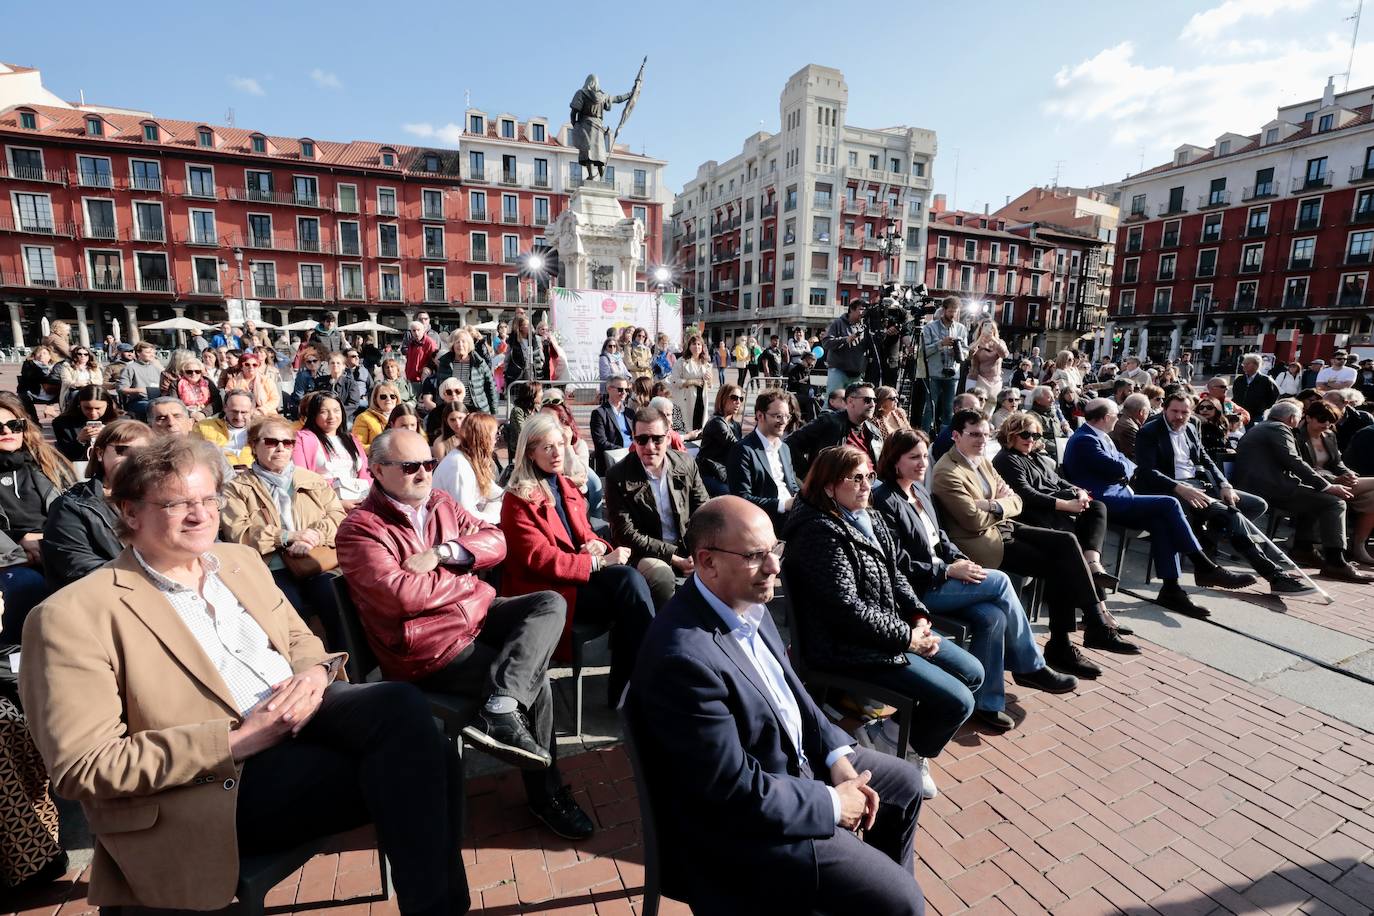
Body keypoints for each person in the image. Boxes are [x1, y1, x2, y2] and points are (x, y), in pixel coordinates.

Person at [24, 436, 469, 913]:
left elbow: (302, 644)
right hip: (215, 784)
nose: (201, 515)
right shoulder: (73, 614)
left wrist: (314, 677)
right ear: (130, 512)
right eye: (177, 503)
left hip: (303, 717)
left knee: (400, 706)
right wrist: (238, 741)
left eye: (208, 498)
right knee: (432, 763)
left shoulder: (237, 562)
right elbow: (84, 768)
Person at [629, 492, 928, 914]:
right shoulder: (683, 658)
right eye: (755, 556)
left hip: (793, 772)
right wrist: (832, 803)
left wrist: (837, 754)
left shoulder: (748, 604)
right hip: (746, 835)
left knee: (904, 785)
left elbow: (796, 698)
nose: (774, 567)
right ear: (707, 561)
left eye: (774, 550)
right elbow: (732, 791)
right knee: (905, 901)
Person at [337, 429, 593, 839]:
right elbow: (401, 597)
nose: (423, 474)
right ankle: (547, 795)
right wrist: (469, 581)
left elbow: (498, 541)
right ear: (378, 470)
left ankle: (501, 705)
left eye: (428, 464)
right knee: (538, 682)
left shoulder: (440, 501)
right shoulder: (360, 530)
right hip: (428, 648)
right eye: (409, 467)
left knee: (549, 603)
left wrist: (444, 553)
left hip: (472, 616)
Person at [784, 445, 982, 791]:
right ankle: (904, 750)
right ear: (829, 486)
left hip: (887, 633)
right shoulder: (818, 531)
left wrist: (918, 617)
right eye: (856, 478)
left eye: (869, 477)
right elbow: (847, 609)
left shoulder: (867, 515)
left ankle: (891, 738)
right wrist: (907, 638)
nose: (866, 486)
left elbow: (896, 574)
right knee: (958, 701)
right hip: (848, 646)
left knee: (973, 673)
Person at [875, 429, 1077, 733]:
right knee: (1000, 582)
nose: (921, 463)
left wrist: (958, 559)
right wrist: (946, 571)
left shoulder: (919, 491)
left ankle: (987, 702)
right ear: (894, 461)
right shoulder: (884, 499)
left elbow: (940, 538)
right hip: (918, 590)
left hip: (944, 577)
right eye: (913, 457)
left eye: (923, 456)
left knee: (993, 616)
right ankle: (1031, 665)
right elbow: (896, 563)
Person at [931, 409, 1133, 678]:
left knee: (1066, 542)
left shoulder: (982, 461)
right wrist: (1001, 504)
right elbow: (972, 521)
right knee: (1060, 564)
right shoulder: (947, 470)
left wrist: (992, 505)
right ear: (956, 435)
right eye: (974, 434)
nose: (981, 440)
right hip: (981, 543)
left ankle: (1091, 625)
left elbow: (1016, 500)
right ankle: (1070, 640)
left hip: (1005, 528)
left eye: (985, 434)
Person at [1063, 398, 1258, 618]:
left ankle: (1171, 589)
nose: (1118, 419)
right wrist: (1125, 466)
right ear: (1107, 418)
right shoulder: (1085, 440)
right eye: (1116, 416)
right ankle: (1203, 565)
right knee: (1170, 502)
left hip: (1119, 497)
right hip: (1103, 503)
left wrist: (1125, 466)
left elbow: (1128, 465)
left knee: (1162, 522)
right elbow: (1120, 466)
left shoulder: (1100, 437)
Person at [1135, 393, 1310, 594]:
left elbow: (1205, 459)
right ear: (1165, 409)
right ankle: (1274, 575)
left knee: (1255, 504)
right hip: (1170, 488)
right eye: (1174, 411)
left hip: (1199, 485)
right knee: (1230, 516)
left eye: (1184, 412)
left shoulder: (1191, 427)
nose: (1179, 416)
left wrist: (1224, 484)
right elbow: (1147, 472)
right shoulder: (1150, 431)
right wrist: (1180, 488)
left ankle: (1208, 541)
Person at [221, 417, 345, 625]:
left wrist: (314, 536)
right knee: (289, 613)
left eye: (287, 443)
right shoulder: (236, 488)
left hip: (318, 560)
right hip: (271, 568)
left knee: (338, 603)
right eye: (271, 442)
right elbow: (239, 533)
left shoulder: (312, 480)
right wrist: (286, 537)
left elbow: (338, 517)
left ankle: (348, 656)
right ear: (253, 445)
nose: (280, 448)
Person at [1234, 400, 1373, 582]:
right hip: (1269, 490)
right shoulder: (1278, 429)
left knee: (1320, 498)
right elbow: (1294, 461)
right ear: (1292, 418)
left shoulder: (1267, 427)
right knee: (1333, 501)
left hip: (1266, 486)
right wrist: (1328, 486)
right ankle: (1335, 562)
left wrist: (1334, 481)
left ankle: (1304, 548)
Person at [992, 411, 1117, 587]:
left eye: (1035, 435)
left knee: (1096, 507)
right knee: (1075, 534)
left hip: (1053, 507)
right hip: (1033, 512)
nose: (1031, 439)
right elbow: (1026, 495)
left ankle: (1092, 563)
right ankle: (1093, 593)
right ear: (1011, 435)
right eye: (1025, 434)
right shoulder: (1006, 459)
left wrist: (1079, 491)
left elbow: (1058, 480)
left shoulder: (1034, 457)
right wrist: (1066, 505)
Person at [604, 406, 709, 609]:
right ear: (634, 439)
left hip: (688, 547)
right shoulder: (618, 475)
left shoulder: (686, 464)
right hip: (644, 553)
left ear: (668, 437)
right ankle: (665, 631)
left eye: (657, 439)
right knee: (662, 575)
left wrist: (698, 551)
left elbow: (703, 511)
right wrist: (674, 557)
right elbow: (625, 534)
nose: (649, 447)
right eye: (642, 439)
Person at [41, 419, 151, 589]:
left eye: (143, 453)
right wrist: (149, 579)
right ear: (100, 454)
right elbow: (78, 568)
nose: (133, 459)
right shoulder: (71, 506)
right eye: (123, 450)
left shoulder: (163, 499)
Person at [1295, 399, 1374, 567]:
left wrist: (1348, 474)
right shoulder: (1297, 437)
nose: (1327, 424)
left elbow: (1338, 463)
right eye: (1322, 420)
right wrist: (1335, 479)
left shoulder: (1329, 435)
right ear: (1308, 418)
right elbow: (1301, 469)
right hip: (1313, 482)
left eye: (1331, 421)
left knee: (1373, 497)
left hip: (1334, 479)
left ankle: (1359, 545)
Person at [727, 389, 800, 533]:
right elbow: (742, 498)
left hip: (793, 516)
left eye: (787, 416)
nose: (784, 422)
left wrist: (801, 498)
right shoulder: (743, 450)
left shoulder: (784, 448)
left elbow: (791, 484)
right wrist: (783, 505)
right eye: (778, 416)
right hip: (764, 522)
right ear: (760, 415)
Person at [786, 381, 883, 480]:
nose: (872, 405)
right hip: (838, 486)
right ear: (850, 401)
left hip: (870, 484)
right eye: (867, 400)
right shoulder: (829, 422)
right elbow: (790, 444)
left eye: (875, 400)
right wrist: (808, 476)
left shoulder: (874, 432)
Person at [292, 393, 372, 509]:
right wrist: (335, 504)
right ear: (314, 414)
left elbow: (366, 472)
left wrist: (364, 500)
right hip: (325, 505)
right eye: (324, 412)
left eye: (336, 410)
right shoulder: (302, 439)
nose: (332, 416)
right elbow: (301, 478)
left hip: (360, 502)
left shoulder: (350, 439)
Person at [432, 411, 503, 525]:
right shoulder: (458, 466)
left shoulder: (469, 457)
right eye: (495, 435)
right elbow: (464, 515)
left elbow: (493, 491)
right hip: (451, 526)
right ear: (484, 438)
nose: (496, 440)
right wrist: (497, 518)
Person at [696, 384, 744, 496]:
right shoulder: (716, 422)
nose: (738, 402)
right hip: (709, 473)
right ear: (723, 398)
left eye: (741, 398)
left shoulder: (736, 425)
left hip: (725, 473)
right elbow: (737, 447)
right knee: (731, 495)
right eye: (734, 397)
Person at [50, 384, 118, 462]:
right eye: (87, 408)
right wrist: (80, 441)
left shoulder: (118, 423)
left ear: (107, 405)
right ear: (79, 405)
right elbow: (67, 456)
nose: (93, 412)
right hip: (80, 467)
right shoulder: (62, 423)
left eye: (98, 408)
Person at [435, 328, 496, 414]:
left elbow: (491, 387)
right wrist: (440, 410)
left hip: (476, 409)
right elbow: (440, 388)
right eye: (457, 342)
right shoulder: (444, 363)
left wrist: (494, 412)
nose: (460, 345)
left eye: (464, 342)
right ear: (452, 345)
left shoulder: (479, 363)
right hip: (452, 410)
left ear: (469, 344)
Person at [192, 390, 256, 470]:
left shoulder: (260, 431)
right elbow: (191, 456)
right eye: (234, 411)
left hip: (252, 477)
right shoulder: (203, 427)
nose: (239, 417)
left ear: (252, 410)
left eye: (243, 412)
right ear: (225, 408)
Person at [590, 374, 636, 474]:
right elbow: (601, 442)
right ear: (609, 389)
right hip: (613, 459)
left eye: (626, 390)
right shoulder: (599, 413)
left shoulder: (630, 413)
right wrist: (624, 450)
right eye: (620, 389)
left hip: (633, 457)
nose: (624, 393)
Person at [823, 299, 872, 394]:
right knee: (833, 402)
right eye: (861, 309)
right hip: (838, 371)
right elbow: (826, 342)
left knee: (853, 404)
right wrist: (846, 339)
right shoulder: (838, 323)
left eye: (865, 310)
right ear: (852, 310)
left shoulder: (865, 327)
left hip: (856, 374)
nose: (863, 312)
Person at [669, 333, 715, 431]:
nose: (696, 347)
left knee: (700, 424)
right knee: (688, 424)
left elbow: (710, 384)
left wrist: (710, 379)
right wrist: (691, 382)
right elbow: (674, 380)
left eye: (699, 344)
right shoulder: (682, 361)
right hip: (687, 398)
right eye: (694, 344)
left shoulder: (706, 363)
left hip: (702, 398)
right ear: (689, 346)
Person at [314, 351, 366, 422]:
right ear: (328, 365)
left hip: (345, 417)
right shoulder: (319, 381)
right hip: (324, 416)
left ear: (344, 366)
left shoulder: (351, 383)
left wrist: (337, 413)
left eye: (338, 363)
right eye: (332, 363)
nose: (335, 365)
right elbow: (315, 399)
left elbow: (353, 404)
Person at [352, 383, 401, 453]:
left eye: (392, 396)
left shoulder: (404, 416)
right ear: (375, 399)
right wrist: (383, 448)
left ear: (397, 399)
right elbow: (358, 446)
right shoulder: (363, 418)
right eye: (383, 397)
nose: (388, 399)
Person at [1232, 352, 1280, 422]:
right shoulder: (1239, 380)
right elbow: (1235, 395)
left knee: (1253, 432)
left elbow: (1274, 395)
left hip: (1256, 416)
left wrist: (1262, 408)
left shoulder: (1266, 380)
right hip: (1239, 414)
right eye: (1243, 363)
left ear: (1256, 365)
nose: (1244, 366)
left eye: (1247, 364)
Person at [18, 345, 60, 422]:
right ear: (34, 355)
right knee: (23, 396)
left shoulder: (55, 366)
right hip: (34, 392)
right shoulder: (29, 364)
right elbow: (29, 376)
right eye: (39, 353)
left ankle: (63, 415)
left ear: (50, 356)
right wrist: (45, 373)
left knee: (70, 393)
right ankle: (34, 420)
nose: (41, 355)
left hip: (53, 392)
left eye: (44, 353)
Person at [966, 319, 1008, 396]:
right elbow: (968, 355)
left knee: (991, 405)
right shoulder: (976, 343)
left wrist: (993, 339)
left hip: (994, 381)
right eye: (985, 327)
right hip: (977, 379)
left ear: (994, 330)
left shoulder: (1000, 342)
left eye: (992, 327)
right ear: (981, 329)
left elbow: (1004, 354)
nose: (989, 329)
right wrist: (980, 339)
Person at [505, 315, 545, 390]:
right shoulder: (513, 341)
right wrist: (506, 374)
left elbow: (541, 355)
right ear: (520, 328)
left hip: (533, 373)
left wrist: (540, 364)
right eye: (527, 325)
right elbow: (507, 358)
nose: (530, 327)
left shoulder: (536, 339)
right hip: (518, 375)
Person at [505, 380, 543, 460]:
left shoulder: (537, 409)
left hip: (535, 443)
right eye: (540, 392)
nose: (542, 394)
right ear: (532, 394)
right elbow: (523, 432)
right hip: (521, 446)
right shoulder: (517, 411)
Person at [56, 344, 100, 408]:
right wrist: (78, 384)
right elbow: (67, 381)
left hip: (92, 389)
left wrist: (87, 382)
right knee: (76, 394)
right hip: (74, 390)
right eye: (80, 354)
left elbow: (99, 381)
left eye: (85, 354)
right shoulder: (67, 366)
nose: (83, 356)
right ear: (75, 355)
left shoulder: (94, 366)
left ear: (89, 356)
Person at [1110, 392, 1151, 460]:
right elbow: (1135, 456)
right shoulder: (1130, 428)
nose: (1147, 416)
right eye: (1147, 412)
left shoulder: (1118, 417)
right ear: (1142, 412)